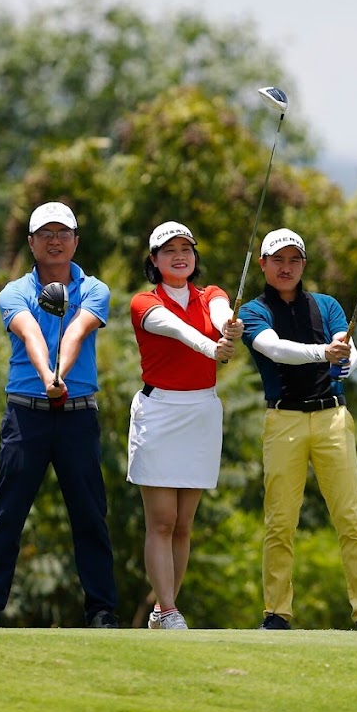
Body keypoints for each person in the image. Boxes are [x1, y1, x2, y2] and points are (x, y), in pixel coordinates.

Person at [0, 201, 119, 628]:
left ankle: (102, 611)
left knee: (89, 514)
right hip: (26, 415)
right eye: (46, 234)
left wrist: (60, 374)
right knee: (7, 515)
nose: (55, 240)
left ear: (75, 241)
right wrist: (46, 374)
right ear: (31, 243)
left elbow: (77, 330)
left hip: (77, 414)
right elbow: (30, 332)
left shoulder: (94, 289)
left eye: (63, 233)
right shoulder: (14, 291)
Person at [237, 228, 357, 632]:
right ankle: (277, 612)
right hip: (283, 418)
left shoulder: (327, 304)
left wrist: (349, 359)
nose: (286, 268)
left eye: (294, 260)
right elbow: (274, 348)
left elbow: (347, 347)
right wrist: (324, 353)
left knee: (351, 518)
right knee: (280, 521)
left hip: (333, 416)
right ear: (263, 264)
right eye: (278, 260)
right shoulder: (252, 311)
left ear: (304, 264)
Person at [127, 221, 242, 630]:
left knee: (183, 525)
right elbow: (174, 330)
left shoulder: (211, 295)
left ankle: (163, 611)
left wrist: (231, 326)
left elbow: (220, 312)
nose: (180, 255)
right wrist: (213, 345)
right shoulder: (144, 302)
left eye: (186, 249)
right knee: (161, 519)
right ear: (154, 261)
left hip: (201, 413)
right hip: (159, 414)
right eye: (169, 250)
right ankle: (172, 611)